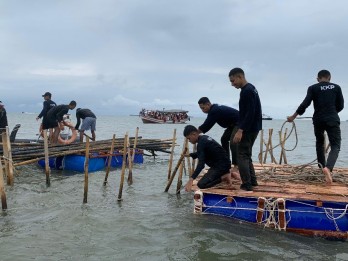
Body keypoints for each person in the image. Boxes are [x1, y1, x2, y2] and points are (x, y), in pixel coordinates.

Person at [287, 70, 344, 184]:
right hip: (332, 119)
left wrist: (293, 117)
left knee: (319, 143)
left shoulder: (313, 88)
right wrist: (332, 112)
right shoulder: (336, 87)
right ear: (329, 78)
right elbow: (341, 105)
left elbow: (305, 104)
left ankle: (321, 169)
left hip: (318, 120)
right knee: (335, 145)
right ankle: (328, 168)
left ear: (318, 79)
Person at [229, 68, 262, 191]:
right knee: (247, 154)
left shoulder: (247, 91)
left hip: (248, 128)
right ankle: (253, 181)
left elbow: (249, 113)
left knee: (241, 155)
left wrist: (240, 130)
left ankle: (246, 184)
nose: (232, 84)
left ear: (240, 77)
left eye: (233, 81)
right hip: (254, 126)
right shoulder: (251, 88)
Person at [197, 97, 240, 178]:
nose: (202, 110)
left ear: (208, 104)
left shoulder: (214, 110)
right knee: (224, 139)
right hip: (232, 125)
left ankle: (236, 166)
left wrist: (195, 133)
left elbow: (207, 124)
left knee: (233, 142)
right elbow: (208, 123)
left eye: (203, 108)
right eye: (201, 109)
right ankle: (227, 162)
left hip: (240, 123)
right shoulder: (213, 110)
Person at [183, 125, 233, 192]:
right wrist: (190, 155)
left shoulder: (201, 143)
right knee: (207, 179)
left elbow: (201, 164)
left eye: (189, 138)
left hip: (220, 166)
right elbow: (202, 153)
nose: (189, 141)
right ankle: (227, 173)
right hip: (223, 164)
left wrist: (191, 179)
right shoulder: (204, 138)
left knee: (201, 185)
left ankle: (224, 177)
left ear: (194, 134)